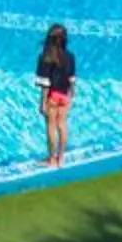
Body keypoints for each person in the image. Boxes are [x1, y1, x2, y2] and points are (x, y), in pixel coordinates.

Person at [34, 23, 76, 166]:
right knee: (62, 125)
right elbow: (72, 79)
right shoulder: (70, 56)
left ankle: (52, 159)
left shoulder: (45, 58)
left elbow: (45, 84)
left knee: (51, 127)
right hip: (64, 95)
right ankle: (61, 158)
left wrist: (42, 103)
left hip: (52, 96)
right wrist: (71, 95)